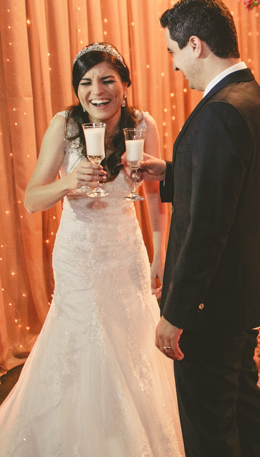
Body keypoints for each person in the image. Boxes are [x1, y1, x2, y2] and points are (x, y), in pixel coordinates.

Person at [0, 43, 183, 455]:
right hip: (79, 254)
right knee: (80, 342)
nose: (96, 91)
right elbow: (32, 199)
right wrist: (69, 181)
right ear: (77, 89)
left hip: (125, 252)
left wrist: (159, 254)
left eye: (106, 80)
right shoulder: (65, 125)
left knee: (132, 341)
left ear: (124, 85)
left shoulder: (142, 124)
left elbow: (155, 199)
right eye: (85, 82)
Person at [137, 0, 260, 457]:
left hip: (211, 303)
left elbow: (206, 225)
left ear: (195, 45)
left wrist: (176, 313)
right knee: (242, 405)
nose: (175, 65)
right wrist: (170, 171)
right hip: (241, 293)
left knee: (208, 427)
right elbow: (228, 184)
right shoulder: (252, 98)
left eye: (174, 52)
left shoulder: (219, 110)